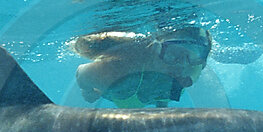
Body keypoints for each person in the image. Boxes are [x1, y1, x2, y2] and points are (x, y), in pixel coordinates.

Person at [73, 27, 212, 107]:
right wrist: (88, 92)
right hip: (113, 91)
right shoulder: (118, 68)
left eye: (193, 58)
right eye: (172, 54)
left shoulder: (181, 77)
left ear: (204, 63)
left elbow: (163, 97)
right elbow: (82, 73)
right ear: (155, 50)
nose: (182, 65)